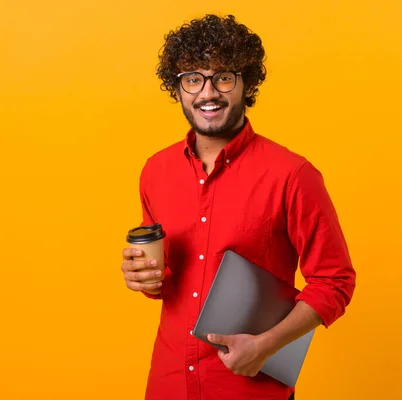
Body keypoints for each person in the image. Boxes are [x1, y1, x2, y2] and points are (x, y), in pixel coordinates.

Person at [120, 14, 356, 400]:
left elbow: (335, 281)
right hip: (168, 382)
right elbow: (166, 280)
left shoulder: (293, 175)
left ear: (247, 84)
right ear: (177, 89)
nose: (207, 93)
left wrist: (267, 345)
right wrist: (143, 278)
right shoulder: (155, 171)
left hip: (249, 389)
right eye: (193, 79)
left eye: (224, 77)